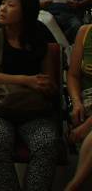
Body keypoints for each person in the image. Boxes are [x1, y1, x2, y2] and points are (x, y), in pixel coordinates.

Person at [0, 0, 60, 191]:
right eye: (2, 4)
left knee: (47, 142)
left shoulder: (40, 39)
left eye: (10, 5)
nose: (2, 8)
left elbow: (48, 79)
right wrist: (25, 80)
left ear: (26, 11)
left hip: (33, 108)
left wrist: (47, 86)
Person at [67, 24, 92, 191]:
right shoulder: (85, 32)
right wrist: (76, 101)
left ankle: (73, 186)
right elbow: (73, 75)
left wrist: (87, 126)